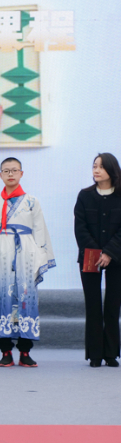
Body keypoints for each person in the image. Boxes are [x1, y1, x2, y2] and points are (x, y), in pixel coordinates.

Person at [0, 157, 55, 367]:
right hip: (1, 254)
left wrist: (39, 260)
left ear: (21, 174)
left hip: (26, 254)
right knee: (1, 299)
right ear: (0, 175)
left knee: (27, 299)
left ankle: (25, 351)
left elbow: (40, 232)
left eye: (14, 170)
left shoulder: (32, 202)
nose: (10, 174)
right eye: (6, 171)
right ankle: (5, 351)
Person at [74, 153, 121, 368]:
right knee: (93, 305)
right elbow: (80, 228)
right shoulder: (85, 196)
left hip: (117, 256)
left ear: (112, 170)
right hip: (90, 256)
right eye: (94, 166)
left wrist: (109, 252)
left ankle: (111, 354)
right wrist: (95, 251)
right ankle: (94, 354)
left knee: (113, 305)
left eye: (101, 166)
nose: (96, 170)